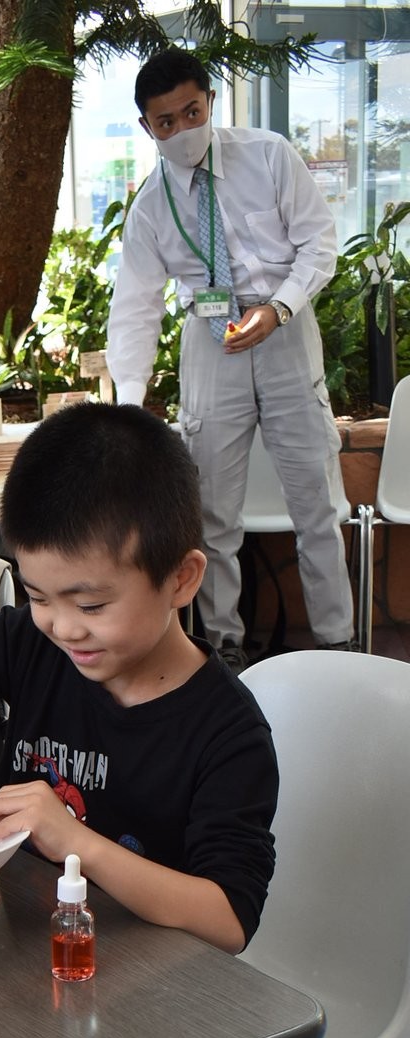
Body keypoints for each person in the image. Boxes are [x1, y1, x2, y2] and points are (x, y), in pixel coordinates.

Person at [0, 403, 278, 954]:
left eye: (91, 605)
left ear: (181, 579)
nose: (63, 628)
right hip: (24, 944)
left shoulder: (229, 733)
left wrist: (76, 842)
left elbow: (228, 920)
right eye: (38, 596)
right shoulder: (32, 645)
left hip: (148, 973)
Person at [106, 46, 354, 669]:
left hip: (284, 330)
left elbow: (318, 244)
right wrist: (129, 404)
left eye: (192, 113)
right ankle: (224, 646)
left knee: (317, 502)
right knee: (211, 510)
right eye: (166, 122)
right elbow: (135, 305)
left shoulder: (268, 155)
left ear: (210, 102)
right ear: (147, 127)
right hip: (209, 340)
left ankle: (338, 642)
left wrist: (279, 308)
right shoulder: (151, 204)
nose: (183, 130)